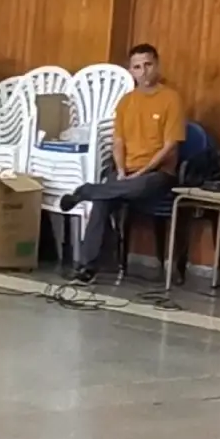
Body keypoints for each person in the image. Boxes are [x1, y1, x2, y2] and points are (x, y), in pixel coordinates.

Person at [59, 44, 186, 282]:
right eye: (137, 67)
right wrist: (120, 170)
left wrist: (141, 172)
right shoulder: (126, 101)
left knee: (131, 186)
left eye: (148, 65)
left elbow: (170, 146)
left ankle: (85, 191)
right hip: (125, 171)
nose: (143, 71)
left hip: (157, 173)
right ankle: (87, 267)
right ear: (131, 70)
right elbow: (118, 141)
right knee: (103, 200)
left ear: (157, 65)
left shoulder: (171, 99)